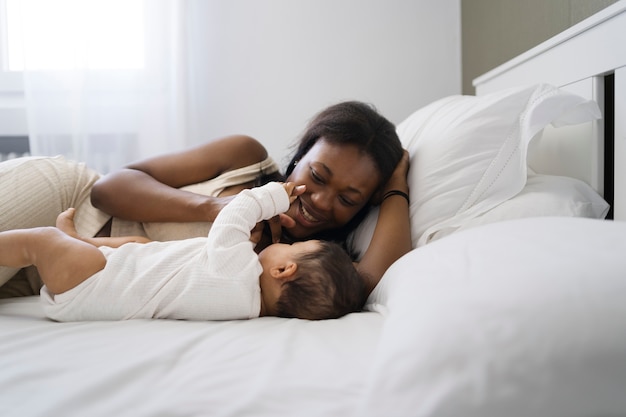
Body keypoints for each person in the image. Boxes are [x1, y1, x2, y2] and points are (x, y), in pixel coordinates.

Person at [0, 101, 411, 297]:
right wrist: (217, 209)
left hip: (52, 279)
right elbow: (107, 189)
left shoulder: (306, 266)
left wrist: (395, 189)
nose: (321, 201)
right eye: (317, 175)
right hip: (62, 202)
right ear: (300, 157)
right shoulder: (246, 160)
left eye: (349, 198)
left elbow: (369, 281)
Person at [0, 181, 366, 321]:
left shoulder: (238, 272)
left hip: (89, 280)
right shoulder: (246, 308)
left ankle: (68, 244)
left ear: (284, 271)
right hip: (100, 277)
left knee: (41, 241)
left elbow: (231, 218)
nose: (287, 244)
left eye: (295, 246)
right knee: (142, 247)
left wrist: (272, 196)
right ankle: (80, 242)